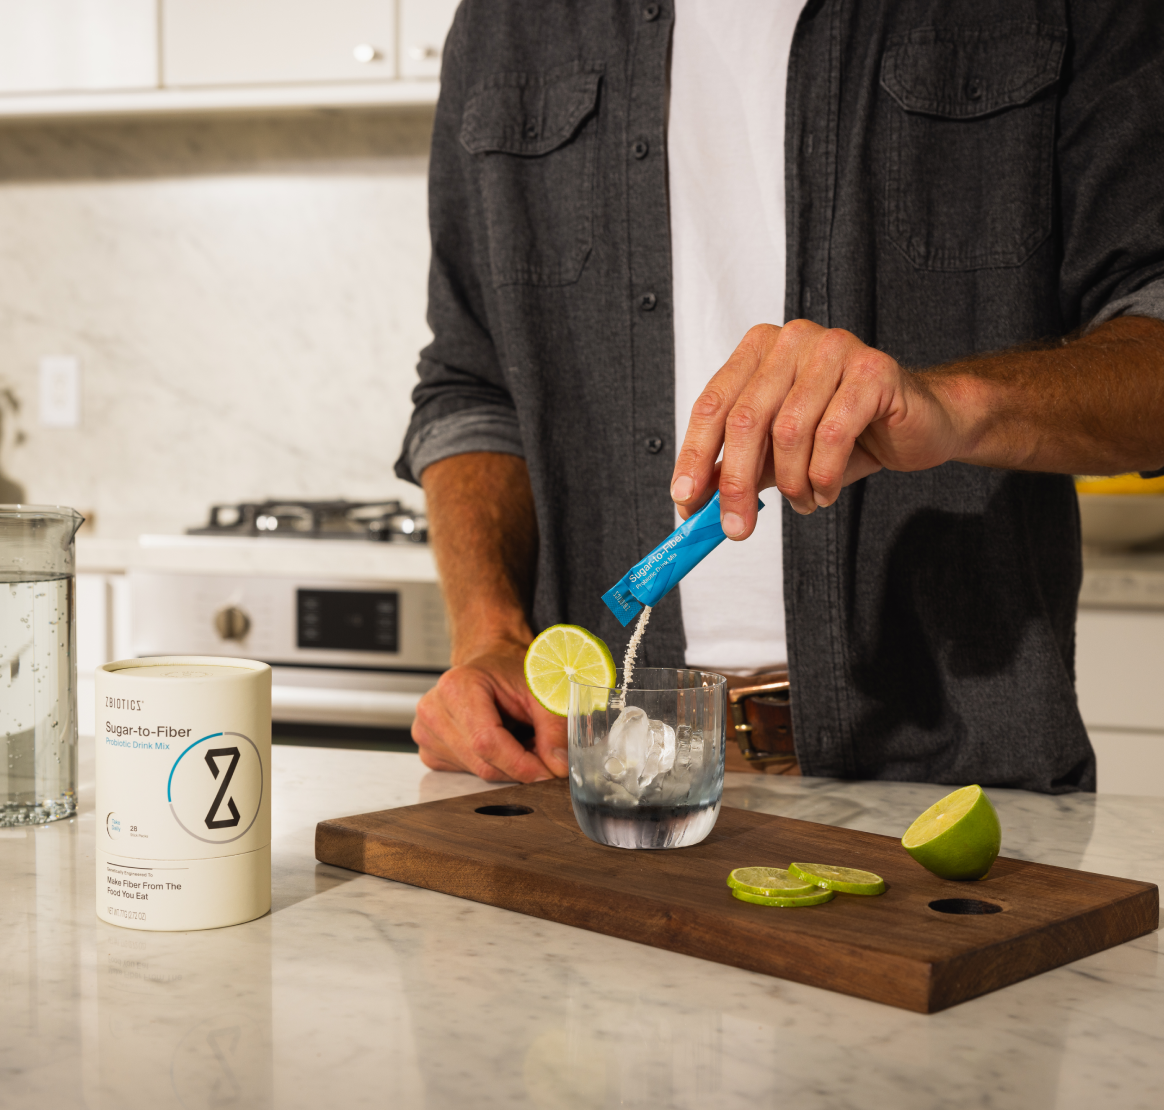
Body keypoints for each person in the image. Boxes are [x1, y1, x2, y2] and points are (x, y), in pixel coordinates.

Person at [395, 0, 1164, 793]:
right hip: (597, 773)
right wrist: (488, 635)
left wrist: (956, 404)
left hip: (951, 775)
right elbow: (471, 384)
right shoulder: (506, 21)